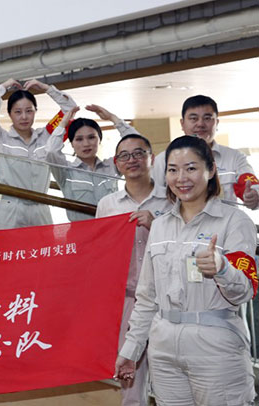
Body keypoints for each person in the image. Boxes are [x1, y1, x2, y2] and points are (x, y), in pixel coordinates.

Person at [115, 135, 257, 404]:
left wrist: (222, 269)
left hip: (215, 347)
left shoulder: (235, 222)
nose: (181, 178)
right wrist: (131, 349)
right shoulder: (160, 225)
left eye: (191, 168)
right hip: (163, 349)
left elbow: (244, 292)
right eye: (173, 170)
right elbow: (146, 298)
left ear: (210, 170)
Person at [96, 134, 172, 406]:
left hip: (167, 300)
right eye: (124, 156)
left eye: (139, 153)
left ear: (152, 158)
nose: (132, 160)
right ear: (117, 163)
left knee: (169, 378)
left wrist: (156, 225)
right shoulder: (107, 204)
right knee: (129, 378)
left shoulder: (172, 200)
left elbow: (182, 246)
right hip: (126, 300)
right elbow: (100, 254)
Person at [0, 78, 76, 229]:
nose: (24, 117)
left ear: (35, 111)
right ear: (10, 114)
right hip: (10, 209)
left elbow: (70, 108)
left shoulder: (47, 136)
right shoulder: (0, 138)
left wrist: (46, 88)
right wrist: (3, 86)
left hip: (40, 207)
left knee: (43, 245)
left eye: (29, 111)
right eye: (18, 112)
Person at [151, 95, 259, 209]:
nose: (200, 124)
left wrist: (254, 196)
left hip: (226, 219)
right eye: (193, 119)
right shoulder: (163, 160)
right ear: (182, 124)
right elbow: (153, 198)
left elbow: (251, 186)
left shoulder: (234, 157)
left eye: (207, 118)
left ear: (216, 122)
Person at [46, 104, 139, 221]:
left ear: (99, 139)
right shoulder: (65, 171)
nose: (86, 144)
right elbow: (50, 151)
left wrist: (113, 118)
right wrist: (62, 124)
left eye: (91, 137)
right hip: (82, 230)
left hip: (111, 227)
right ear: (72, 143)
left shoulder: (113, 166)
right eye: (79, 139)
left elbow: (137, 144)